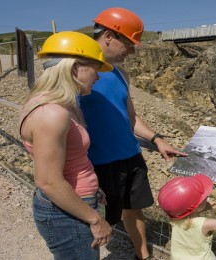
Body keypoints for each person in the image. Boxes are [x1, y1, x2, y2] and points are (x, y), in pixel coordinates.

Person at [78, 7, 188, 260]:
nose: (132, 50)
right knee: (94, 222)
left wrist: (156, 139)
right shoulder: (77, 70)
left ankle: (143, 256)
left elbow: (129, 117)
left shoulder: (119, 73)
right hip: (99, 163)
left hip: (131, 156)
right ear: (108, 36)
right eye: (129, 43)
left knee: (134, 210)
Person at [18, 31, 114, 259]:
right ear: (74, 68)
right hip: (67, 213)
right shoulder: (53, 113)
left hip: (74, 203)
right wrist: (95, 218)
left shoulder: (58, 104)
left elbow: (71, 160)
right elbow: (48, 181)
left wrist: (93, 189)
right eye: (95, 69)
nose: (98, 78)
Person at [158, 174, 216, 260]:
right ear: (196, 206)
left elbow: (187, 212)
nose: (207, 198)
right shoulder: (205, 224)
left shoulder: (174, 219)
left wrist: (205, 207)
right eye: (205, 198)